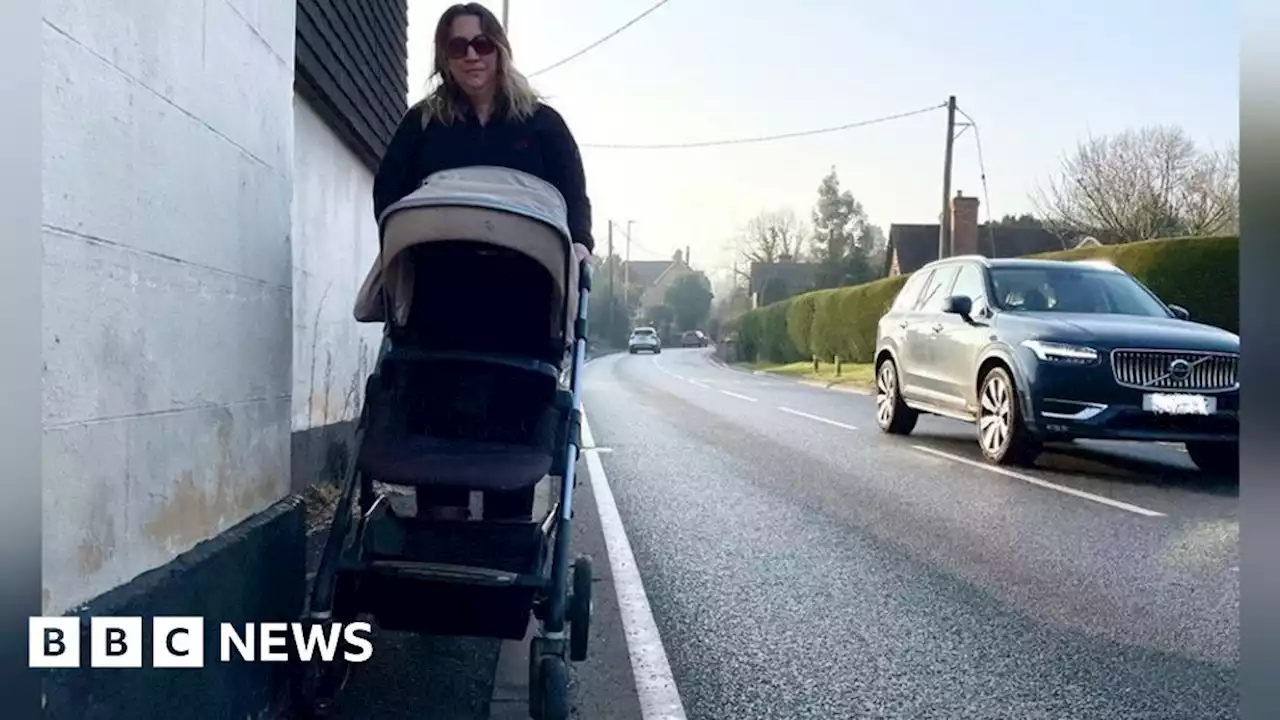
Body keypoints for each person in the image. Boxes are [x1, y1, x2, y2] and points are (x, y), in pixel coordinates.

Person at [372, 2, 594, 523]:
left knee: (508, 435)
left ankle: (505, 542)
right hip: (442, 300)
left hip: (520, 301)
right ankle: (439, 546)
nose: (472, 56)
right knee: (440, 437)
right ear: (444, 58)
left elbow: (574, 197)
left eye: (482, 44)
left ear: (499, 48)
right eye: (458, 46)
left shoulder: (541, 125)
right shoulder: (424, 124)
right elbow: (389, 195)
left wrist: (580, 243)